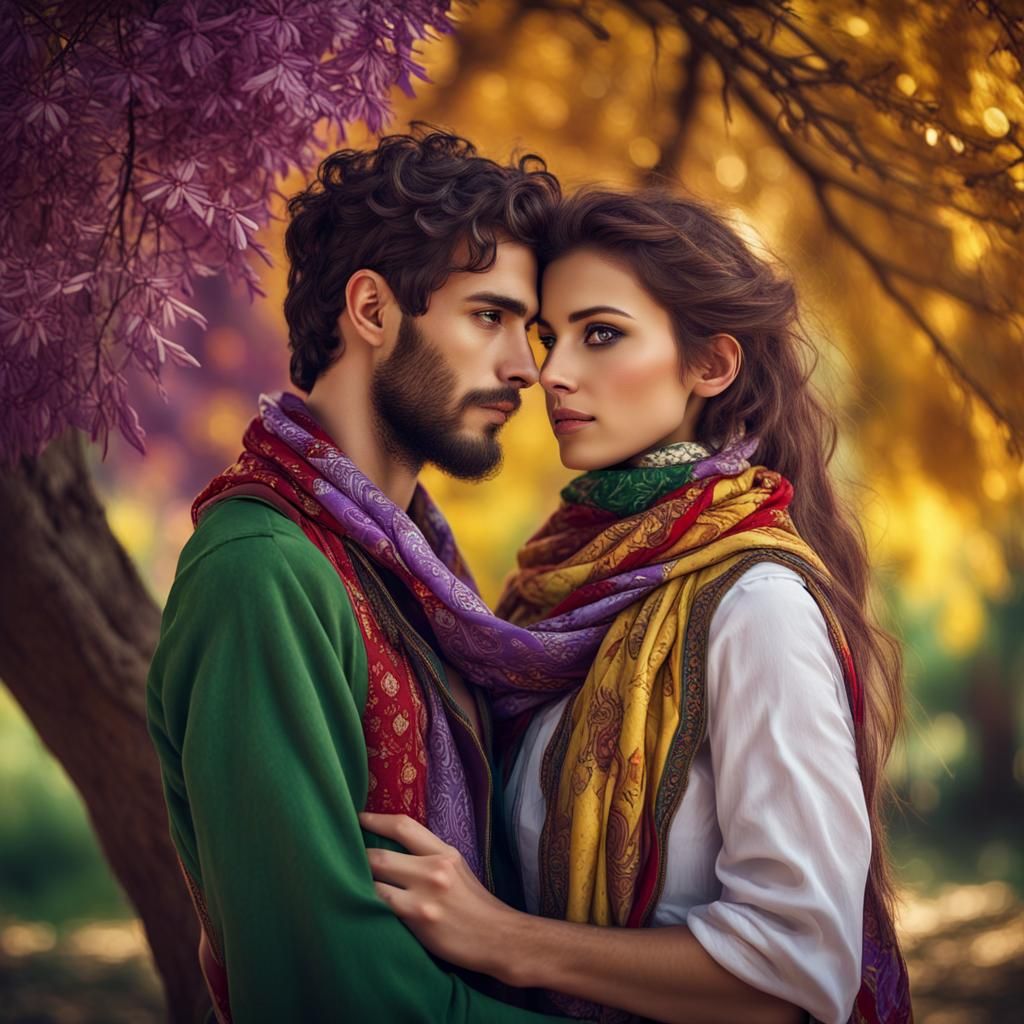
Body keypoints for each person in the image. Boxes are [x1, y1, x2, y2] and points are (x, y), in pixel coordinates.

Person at [360, 188, 914, 1024]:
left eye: (602, 333)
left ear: (711, 365)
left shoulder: (755, 606)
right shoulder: (553, 593)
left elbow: (798, 972)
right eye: (551, 337)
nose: (553, 372)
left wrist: (506, 938)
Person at [145, 126, 572, 1022]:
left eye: (525, 329)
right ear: (373, 311)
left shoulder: (412, 575)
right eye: (489, 317)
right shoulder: (263, 573)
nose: (525, 367)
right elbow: (331, 990)